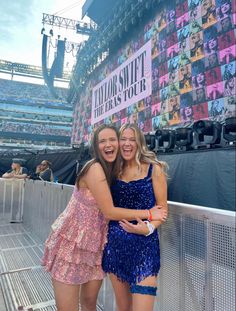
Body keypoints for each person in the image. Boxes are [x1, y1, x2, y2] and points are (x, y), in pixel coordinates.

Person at [41, 124, 167, 311]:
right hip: (86, 244)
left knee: (92, 302)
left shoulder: (133, 169)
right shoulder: (101, 170)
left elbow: (161, 208)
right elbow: (110, 211)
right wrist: (148, 214)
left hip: (113, 245)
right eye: (103, 141)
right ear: (96, 146)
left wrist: (149, 226)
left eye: (114, 139)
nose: (123, 143)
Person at [102, 124, 168, 311]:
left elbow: (162, 211)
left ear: (139, 143)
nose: (127, 144)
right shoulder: (112, 171)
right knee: (123, 308)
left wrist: (147, 228)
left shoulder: (154, 169)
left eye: (132, 139)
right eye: (123, 139)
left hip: (145, 248)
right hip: (116, 246)